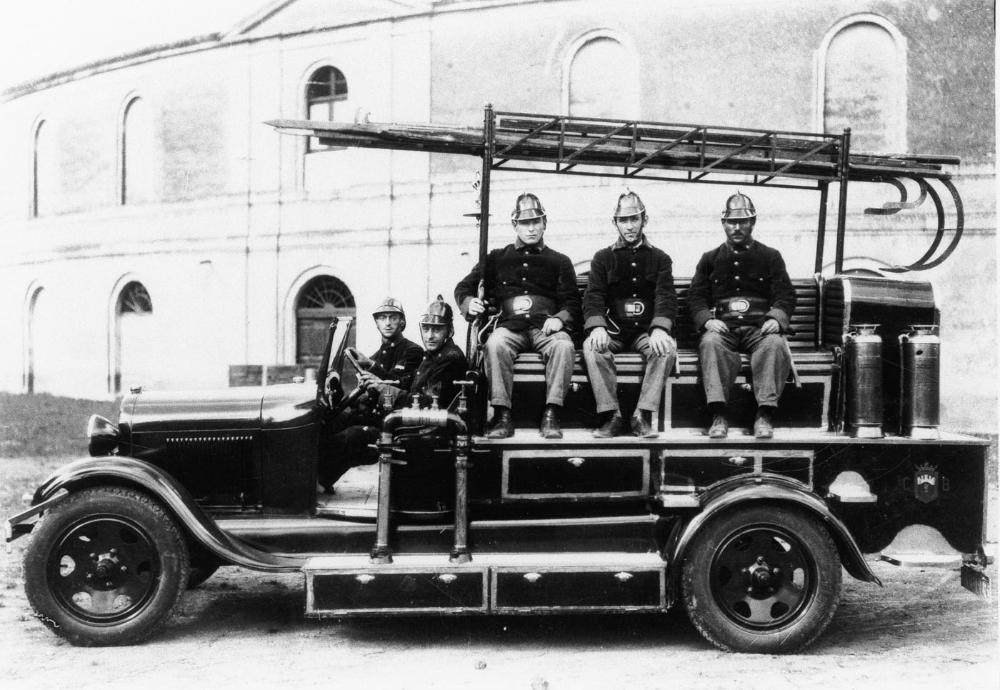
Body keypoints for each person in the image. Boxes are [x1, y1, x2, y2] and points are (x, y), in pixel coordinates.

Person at [455, 192, 581, 439]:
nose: (531, 229)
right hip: (510, 325)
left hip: (545, 325)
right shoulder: (496, 258)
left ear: (545, 223)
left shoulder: (559, 261)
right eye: (525, 223)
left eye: (536, 222)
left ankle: (551, 413)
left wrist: (560, 319)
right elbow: (464, 288)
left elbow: (572, 303)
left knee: (564, 346)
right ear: (515, 225)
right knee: (495, 344)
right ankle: (502, 415)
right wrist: (469, 303)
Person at [319, 295, 469, 492]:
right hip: (410, 420)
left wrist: (381, 386)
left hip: (418, 429)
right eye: (426, 329)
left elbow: (424, 402)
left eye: (437, 329)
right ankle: (320, 480)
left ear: (449, 330)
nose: (430, 335)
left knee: (354, 435)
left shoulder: (448, 358)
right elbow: (409, 386)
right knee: (337, 423)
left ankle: (316, 482)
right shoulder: (433, 356)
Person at [687, 192, 796, 439]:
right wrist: (707, 320)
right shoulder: (710, 259)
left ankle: (764, 415)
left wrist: (775, 318)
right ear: (723, 224)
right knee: (710, 343)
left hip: (759, 329)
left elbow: (786, 295)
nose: (736, 227)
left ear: (753, 223)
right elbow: (696, 296)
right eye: (731, 222)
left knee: (775, 344)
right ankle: (719, 415)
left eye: (743, 222)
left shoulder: (770, 257)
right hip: (724, 330)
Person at [581, 191, 677, 438]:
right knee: (592, 347)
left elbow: (665, 297)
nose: (630, 226)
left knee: (666, 349)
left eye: (635, 219)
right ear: (615, 223)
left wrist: (659, 329)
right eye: (624, 220)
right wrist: (597, 327)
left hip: (645, 332)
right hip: (614, 331)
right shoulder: (603, 258)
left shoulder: (660, 258)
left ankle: (641, 416)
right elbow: (594, 296)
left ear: (645, 219)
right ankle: (611, 416)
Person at [344, 297, 424, 416]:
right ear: (376, 322)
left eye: (393, 317)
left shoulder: (413, 351)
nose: (387, 323)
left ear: (402, 321)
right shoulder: (375, 356)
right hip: (374, 415)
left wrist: (371, 365)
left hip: (397, 417)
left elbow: (401, 384)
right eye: (382, 318)